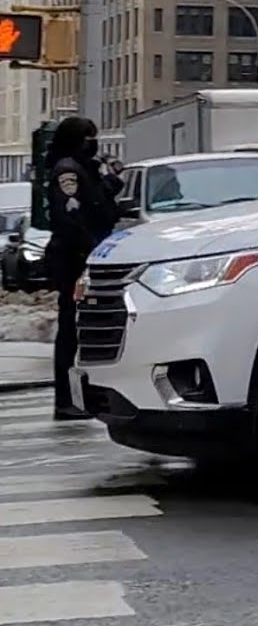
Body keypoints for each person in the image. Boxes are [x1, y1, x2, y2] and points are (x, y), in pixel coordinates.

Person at [45, 117, 118, 420]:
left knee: (88, 331)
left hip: (87, 256)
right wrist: (92, 250)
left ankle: (84, 397)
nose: (93, 142)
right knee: (71, 332)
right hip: (75, 259)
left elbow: (101, 200)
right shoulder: (67, 171)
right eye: (89, 137)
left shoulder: (84, 169)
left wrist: (110, 176)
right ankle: (66, 400)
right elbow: (71, 218)